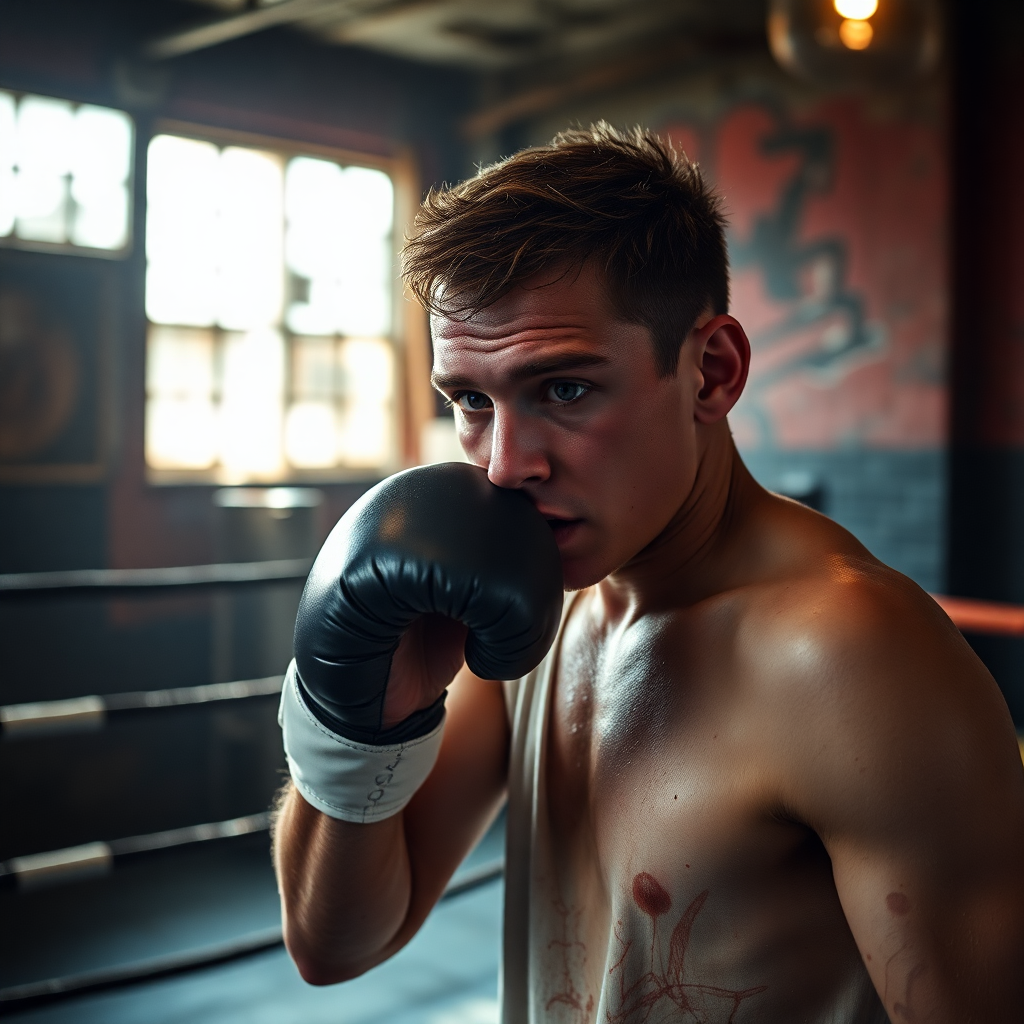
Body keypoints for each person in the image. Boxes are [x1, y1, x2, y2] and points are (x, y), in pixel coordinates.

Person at [272, 124, 1024, 1023]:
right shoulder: (534, 606)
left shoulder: (847, 657)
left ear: (712, 371)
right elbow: (335, 943)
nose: (506, 464)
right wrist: (363, 720)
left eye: (564, 389)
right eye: (471, 400)